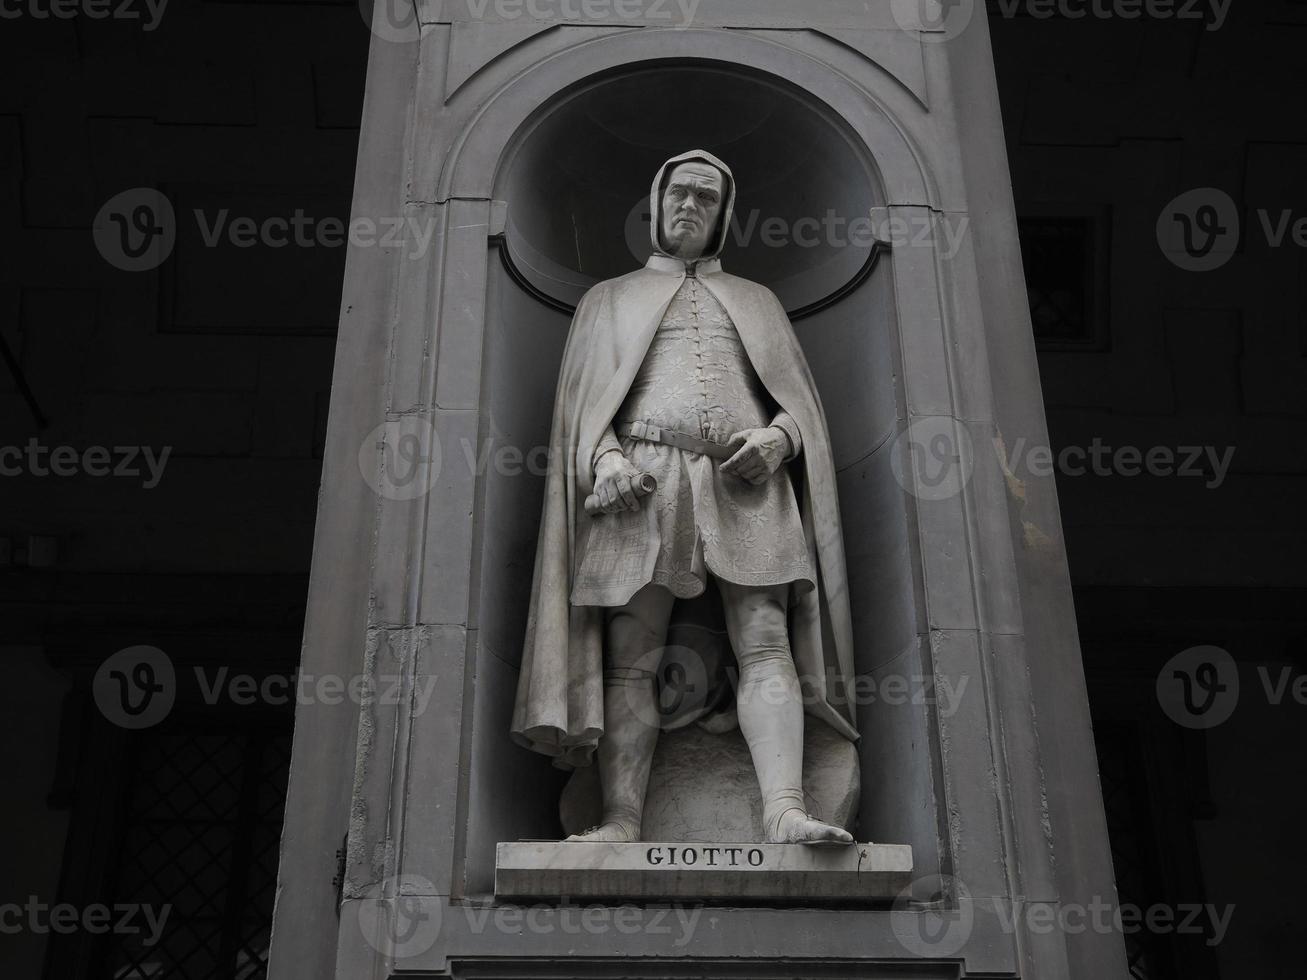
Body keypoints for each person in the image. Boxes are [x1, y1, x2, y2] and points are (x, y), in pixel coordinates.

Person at [511, 150, 859, 845]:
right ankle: (619, 818)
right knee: (630, 646)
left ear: (723, 215)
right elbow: (580, 407)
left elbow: (800, 406)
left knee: (765, 636)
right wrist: (604, 458)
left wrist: (779, 441)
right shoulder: (606, 298)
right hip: (642, 475)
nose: (689, 206)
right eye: (679, 193)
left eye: (705, 197)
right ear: (655, 201)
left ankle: (784, 809)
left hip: (744, 479)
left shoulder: (757, 301)